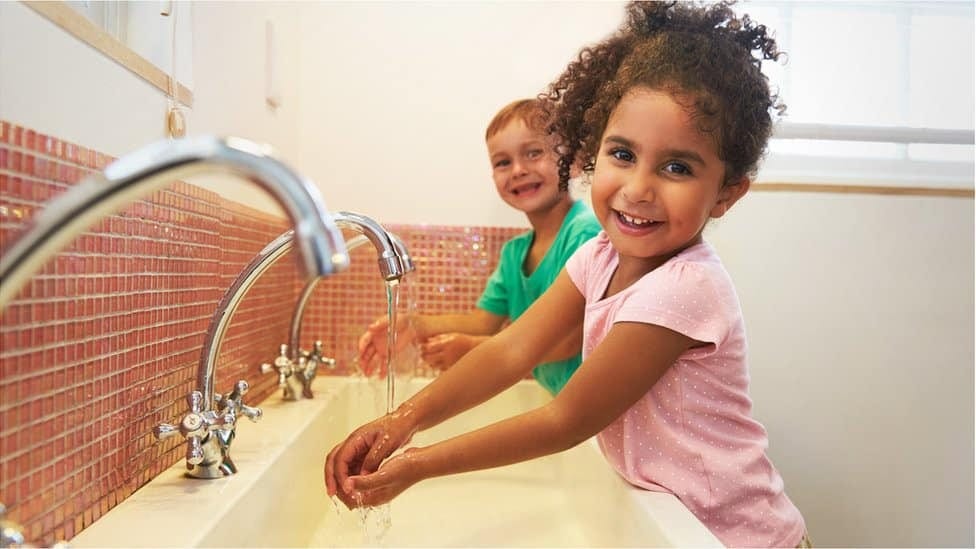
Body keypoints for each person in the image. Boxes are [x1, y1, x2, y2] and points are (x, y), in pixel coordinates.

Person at [327, 2, 809, 547]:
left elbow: (565, 419)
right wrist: (402, 420)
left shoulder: (685, 289)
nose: (638, 188)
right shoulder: (599, 256)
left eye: (677, 167)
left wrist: (416, 464)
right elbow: (511, 350)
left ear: (726, 192)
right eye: (622, 153)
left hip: (738, 538)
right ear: (590, 153)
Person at [357, 98, 601, 395]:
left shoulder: (586, 234)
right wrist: (414, 325)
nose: (518, 170)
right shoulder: (515, 253)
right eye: (502, 162)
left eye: (534, 153)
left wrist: (474, 349)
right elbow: (483, 321)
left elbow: (570, 339)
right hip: (565, 403)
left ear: (573, 162)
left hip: (596, 405)